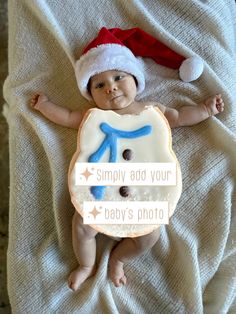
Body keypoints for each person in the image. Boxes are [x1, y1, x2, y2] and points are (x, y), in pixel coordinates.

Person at [30, 27, 224, 291]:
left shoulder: (152, 111)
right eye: (100, 85)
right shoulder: (92, 116)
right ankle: (86, 265)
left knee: (150, 235)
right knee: (82, 225)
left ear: (135, 79)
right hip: (101, 193)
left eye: (118, 77)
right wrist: (45, 106)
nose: (111, 88)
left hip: (144, 192)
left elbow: (179, 118)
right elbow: (65, 116)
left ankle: (118, 259)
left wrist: (204, 109)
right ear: (91, 93)